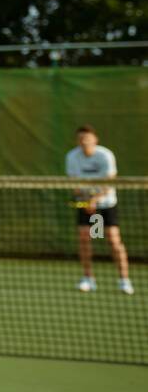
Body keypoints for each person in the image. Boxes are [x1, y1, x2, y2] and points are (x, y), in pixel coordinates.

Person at [65, 125, 133, 295]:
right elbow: (73, 182)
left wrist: (94, 200)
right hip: (86, 206)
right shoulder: (72, 156)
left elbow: (110, 181)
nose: (84, 141)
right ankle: (88, 278)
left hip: (106, 205)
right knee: (85, 239)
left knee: (113, 240)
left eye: (87, 138)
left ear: (95, 140)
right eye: (80, 138)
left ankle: (124, 280)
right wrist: (87, 201)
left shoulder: (105, 155)